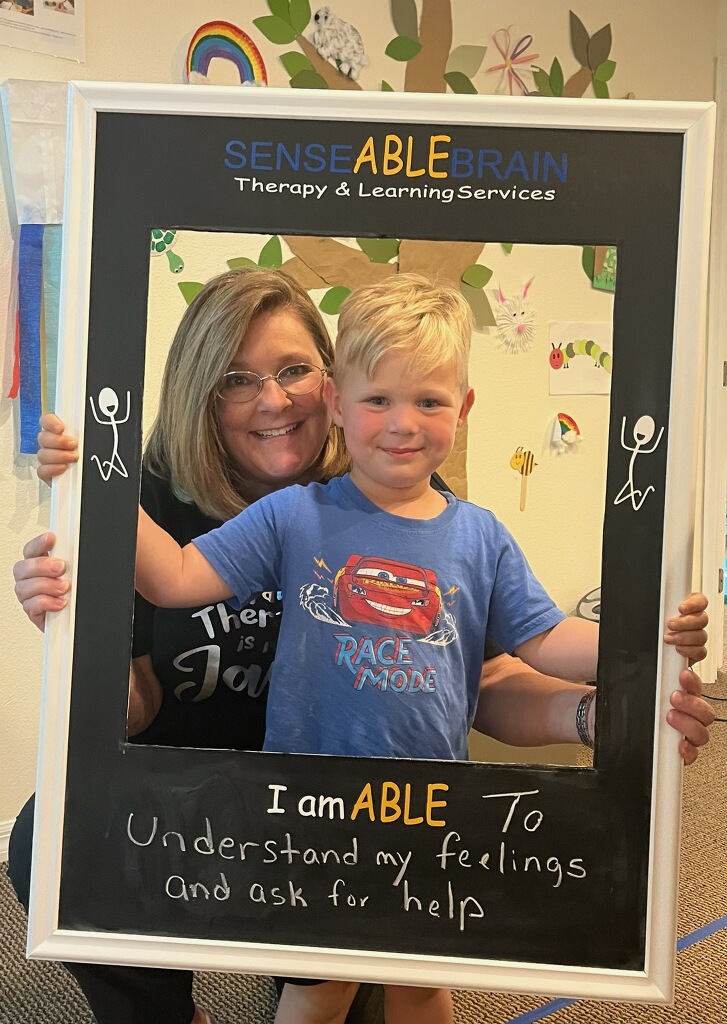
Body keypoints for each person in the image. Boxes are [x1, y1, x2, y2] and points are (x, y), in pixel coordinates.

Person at [10, 269, 712, 1024]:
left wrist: (643, 657)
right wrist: (91, 483)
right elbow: (174, 579)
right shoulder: (288, 515)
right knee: (316, 983)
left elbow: (532, 644)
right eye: (238, 379)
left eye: (291, 371)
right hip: (279, 806)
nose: (402, 423)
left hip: (420, 807)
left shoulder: (465, 527)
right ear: (346, 404)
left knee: (418, 979)